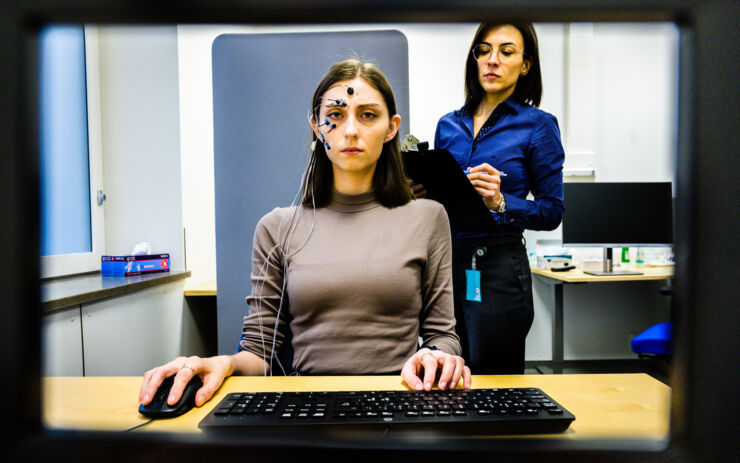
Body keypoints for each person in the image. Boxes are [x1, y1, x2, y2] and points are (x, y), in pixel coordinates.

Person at [139, 59, 471, 410]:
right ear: (316, 126)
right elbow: (258, 352)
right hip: (308, 409)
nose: (352, 130)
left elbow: (442, 336)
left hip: (400, 403)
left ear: (392, 127)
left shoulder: (428, 218)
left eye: (368, 115)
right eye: (336, 115)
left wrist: (437, 356)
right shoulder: (277, 227)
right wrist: (223, 363)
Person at [422, 23, 565, 374]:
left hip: (500, 269)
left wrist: (502, 202)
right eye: (484, 50)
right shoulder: (448, 125)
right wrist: (423, 194)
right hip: (449, 266)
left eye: (506, 51)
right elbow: (443, 204)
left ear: (526, 64)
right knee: (447, 372)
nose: (492, 60)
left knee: (495, 378)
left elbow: (552, 211)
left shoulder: (538, 126)